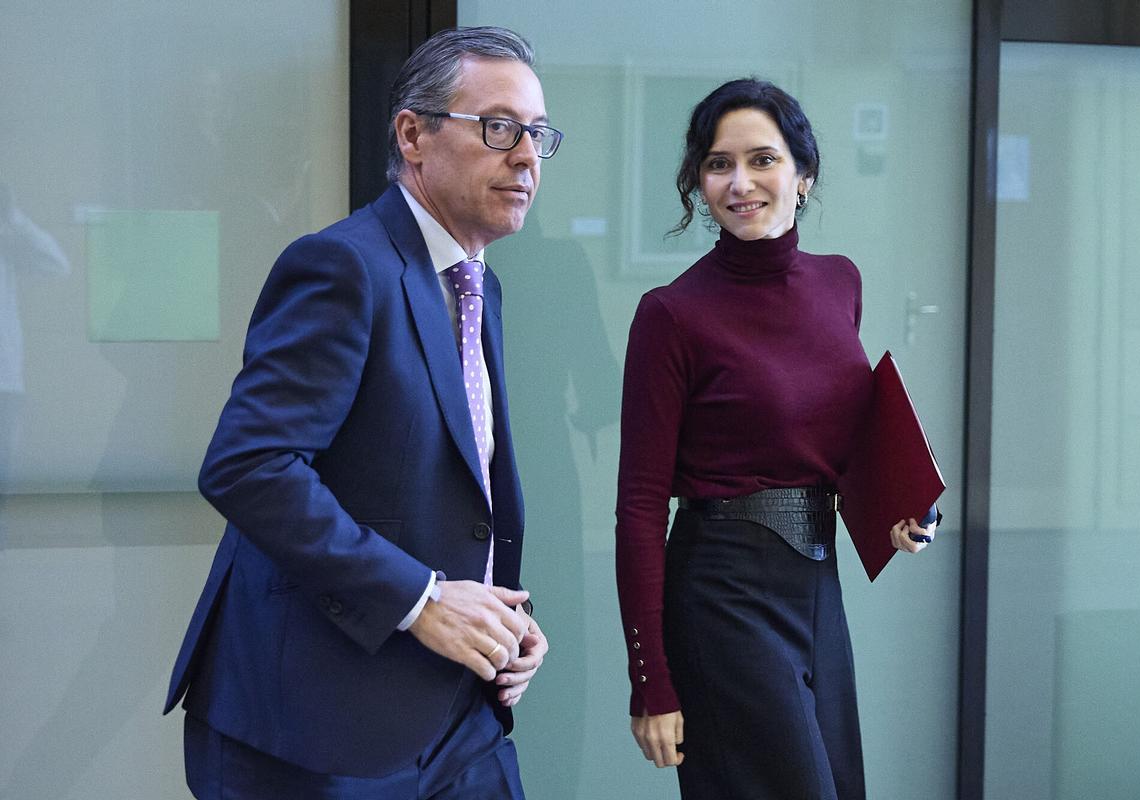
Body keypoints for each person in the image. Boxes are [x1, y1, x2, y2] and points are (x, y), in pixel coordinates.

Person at [163, 26, 560, 800]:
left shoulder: (478, 284)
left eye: (537, 134)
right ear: (413, 135)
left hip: (459, 715)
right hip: (319, 725)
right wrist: (422, 600)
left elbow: (441, 485)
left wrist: (499, 616)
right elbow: (250, 466)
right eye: (499, 127)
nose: (526, 157)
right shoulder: (345, 265)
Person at [614, 78, 938, 800]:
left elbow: (840, 439)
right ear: (699, 182)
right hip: (721, 592)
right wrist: (649, 679)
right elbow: (638, 508)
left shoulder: (840, 283)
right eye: (718, 164)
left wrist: (907, 505)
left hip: (819, 587)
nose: (740, 183)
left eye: (762, 159)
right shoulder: (671, 315)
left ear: (803, 174)